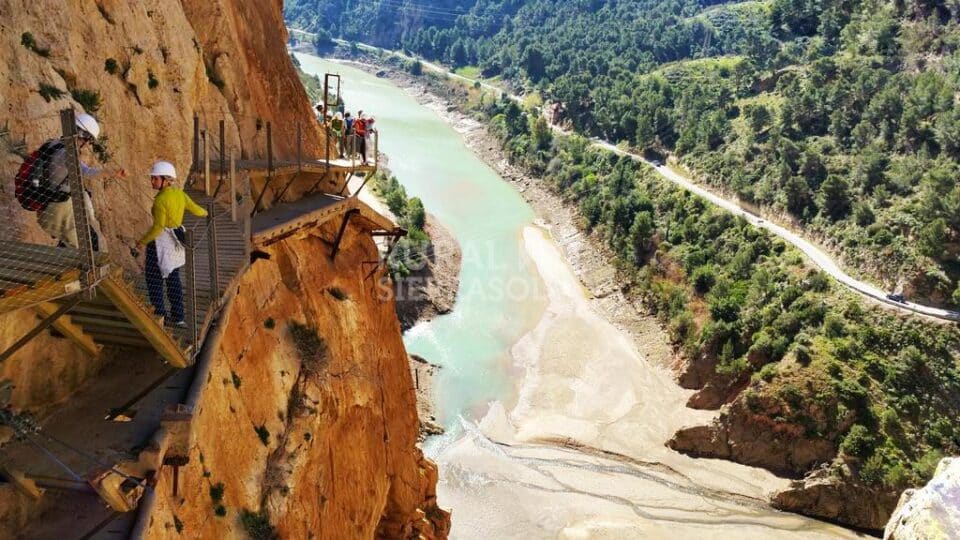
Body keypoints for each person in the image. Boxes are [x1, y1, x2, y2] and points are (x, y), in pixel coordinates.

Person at [34, 113, 125, 251]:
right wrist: (113, 172)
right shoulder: (68, 154)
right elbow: (87, 172)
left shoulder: (51, 144)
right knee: (90, 245)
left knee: (72, 243)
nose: (87, 144)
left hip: (44, 207)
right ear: (82, 136)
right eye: (88, 140)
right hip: (58, 210)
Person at [133, 161, 207, 327]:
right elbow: (197, 210)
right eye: (152, 178)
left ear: (165, 179)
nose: (152, 181)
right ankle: (179, 316)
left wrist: (142, 242)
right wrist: (207, 213)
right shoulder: (180, 194)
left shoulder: (160, 201)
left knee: (154, 279)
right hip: (176, 241)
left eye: (155, 179)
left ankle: (160, 315)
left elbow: (158, 227)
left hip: (160, 243)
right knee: (174, 279)